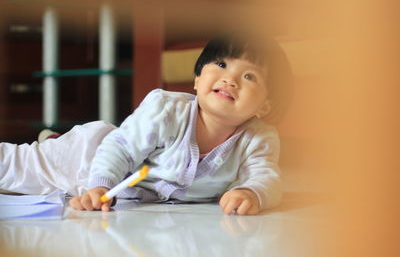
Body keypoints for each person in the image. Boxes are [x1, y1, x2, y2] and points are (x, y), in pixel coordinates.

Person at [0, 32, 291, 215]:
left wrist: (252, 192)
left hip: (124, 194)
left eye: (249, 76)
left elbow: (266, 177)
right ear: (198, 78)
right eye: (222, 65)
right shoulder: (167, 110)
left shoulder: (259, 138)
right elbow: (121, 150)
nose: (230, 79)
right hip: (88, 157)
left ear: (266, 105)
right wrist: (100, 185)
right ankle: (54, 146)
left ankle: (53, 140)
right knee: (17, 168)